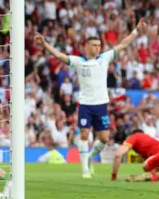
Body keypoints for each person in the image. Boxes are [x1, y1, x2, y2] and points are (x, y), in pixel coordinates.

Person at [35, 19, 147, 178]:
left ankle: (88, 158)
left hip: (101, 104)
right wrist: (45, 44)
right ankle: (85, 170)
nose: (97, 48)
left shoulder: (104, 58)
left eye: (99, 45)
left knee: (104, 138)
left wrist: (136, 31)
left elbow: (123, 44)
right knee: (84, 135)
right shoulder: (79, 62)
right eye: (94, 45)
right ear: (86, 47)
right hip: (85, 104)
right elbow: (59, 55)